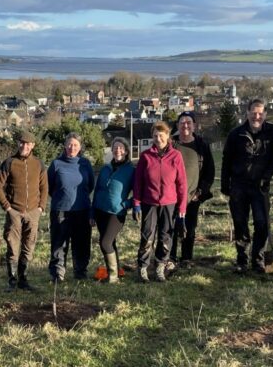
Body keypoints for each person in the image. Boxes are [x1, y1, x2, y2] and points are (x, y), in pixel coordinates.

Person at [220, 99, 273, 274]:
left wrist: (266, 177)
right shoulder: (236, 134)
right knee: (240, 223)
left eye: (260, 113)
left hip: (260, 186)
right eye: (253, 113)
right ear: (246, 113)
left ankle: (258, 261)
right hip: (239, 185)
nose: (257, 116)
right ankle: (242, 260)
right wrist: (226, 184)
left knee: (261, 223)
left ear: (265, 114)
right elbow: (226, 160)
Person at [133, 122, 187, 283]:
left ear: (168, 136)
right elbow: (138, 182)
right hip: (149, 202)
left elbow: (182, 184)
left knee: (165, 237)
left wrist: (182, 208)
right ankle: (142, 267)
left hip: (169, 203)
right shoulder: (146, 156)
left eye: (161, 135)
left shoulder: (176, 156)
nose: (158, 138)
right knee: (147, 235)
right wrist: (136, 203)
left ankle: (160, 266)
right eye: (155, 135)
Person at [0, 131, 48, 291]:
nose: (24, 146)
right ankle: (12, 281)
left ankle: (23, 279)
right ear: (18, 144)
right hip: (14, 212)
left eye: (28, 144)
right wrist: (7, 207)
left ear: (33, 146)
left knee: (29, 245)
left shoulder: (39, 164)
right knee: (12, 245)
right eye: (22, 143)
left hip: (33, 212)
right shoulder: (9, 162)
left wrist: (41, 207)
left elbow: (44, 187)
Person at [47, 133, 95, 282]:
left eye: (75, 145)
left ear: (80, 147)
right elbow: (49, 186)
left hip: (82, 210)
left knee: (81, 242)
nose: (71, 147)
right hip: (61, 210)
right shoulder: (56, 164)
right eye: (69, 144)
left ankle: (80, 271)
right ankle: (58, 273)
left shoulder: (85, 164)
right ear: (64, 146)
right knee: (59, 242)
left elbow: (90, 185)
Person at [170, 112, 215, 267]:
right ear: (177, 126)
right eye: (182, 123)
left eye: (189, 122)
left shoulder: (202, 145)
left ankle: (186, 258)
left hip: (192, 196)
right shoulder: (171, 144)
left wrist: (200, 192)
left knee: (190, 228)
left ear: (194, 125)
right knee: (172, 228)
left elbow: (210, 172)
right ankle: (171, 258)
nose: (185, 126)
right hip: (172, 196)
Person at [91, 137, 135, 283]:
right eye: (115, 147)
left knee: (105, 242)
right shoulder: (105, 168)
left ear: (126, 151)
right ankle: (118, 271)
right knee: (111, 243)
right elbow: (97, 191)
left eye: (121, 147)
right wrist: (92, 212)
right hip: (100, 211)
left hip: (116, 213)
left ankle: (113, 276)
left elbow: (138, 193)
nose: (118, 150)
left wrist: (126, 204)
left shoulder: (131, 170)